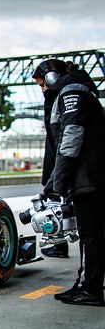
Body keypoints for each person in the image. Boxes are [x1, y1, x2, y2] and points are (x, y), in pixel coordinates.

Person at [34, 59, 105, 306]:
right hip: (91, 175)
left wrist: (59, 183)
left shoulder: (71, 92)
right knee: (93, 235)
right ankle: (87, 284)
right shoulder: (77, 90)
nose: (43, 90)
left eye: (44, 84)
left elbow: (71, 138)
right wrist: (53, 180)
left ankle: (90, 290)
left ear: (53, 77)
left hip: (89, 177)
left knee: (90, 236)